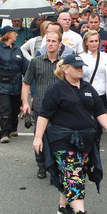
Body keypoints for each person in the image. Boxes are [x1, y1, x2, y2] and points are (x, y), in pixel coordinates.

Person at [33, 54, 107, 214]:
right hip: (62, 140)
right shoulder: (56, 89)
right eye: (76, 66)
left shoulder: (88, 88)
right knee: (73, 173)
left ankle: (64, 207)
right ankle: (80, 212)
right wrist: (38, 138)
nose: (80, 69)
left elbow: (100, 111)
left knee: (76, 171)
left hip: (85, 140)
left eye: (81, 66)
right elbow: (44, 115)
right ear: (66, 70)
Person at [21, 30, 65, 179]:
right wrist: (25, 103)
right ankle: (41, 166)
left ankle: (56, 166)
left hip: (59, 109)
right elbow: (26, 83)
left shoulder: (64, 64)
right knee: (39, 137)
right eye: (48, 41)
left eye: (54, 41)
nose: (50, 44)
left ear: (59, 44)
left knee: (58, 139)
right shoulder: (36, 61)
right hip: (40, 106)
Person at [0, 26, 29, 143]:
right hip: (3, 83)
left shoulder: (18, 49)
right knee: (5, 108)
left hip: (16, 83)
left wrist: (30, 78)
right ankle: (4, 133)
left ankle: (13, 128)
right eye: (14, 33)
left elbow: (24, 67)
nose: (17, 35)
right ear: (7, 35)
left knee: (14, 108)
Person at [81, 30, 107, 108]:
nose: (94, 43)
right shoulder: (82, 57)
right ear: (86, 42)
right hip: (87, 94)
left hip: (102, 95)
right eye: (91, 41)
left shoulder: (105, 56)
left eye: (96, 41)